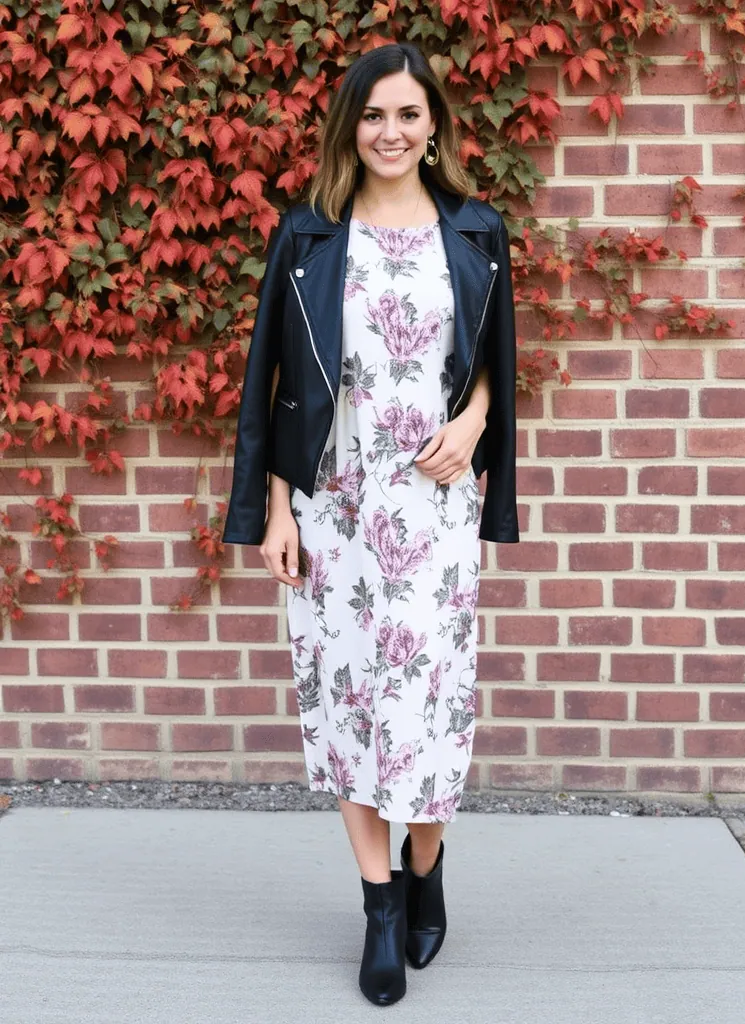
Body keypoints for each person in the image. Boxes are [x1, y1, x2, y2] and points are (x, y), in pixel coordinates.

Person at [222, 42, 519, 1007]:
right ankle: (381, 905)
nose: (391, 132)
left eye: (408, 114)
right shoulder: (308, 235)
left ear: (434, 124)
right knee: (352, 706)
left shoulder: (476, 231)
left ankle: (427, 859)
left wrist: (474, 423)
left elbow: (489, 363)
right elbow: (272, 380)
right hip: (334, 505)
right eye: (373, 115)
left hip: (433, 510)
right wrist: (275, 509)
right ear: (352, 127)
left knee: (429, 709)